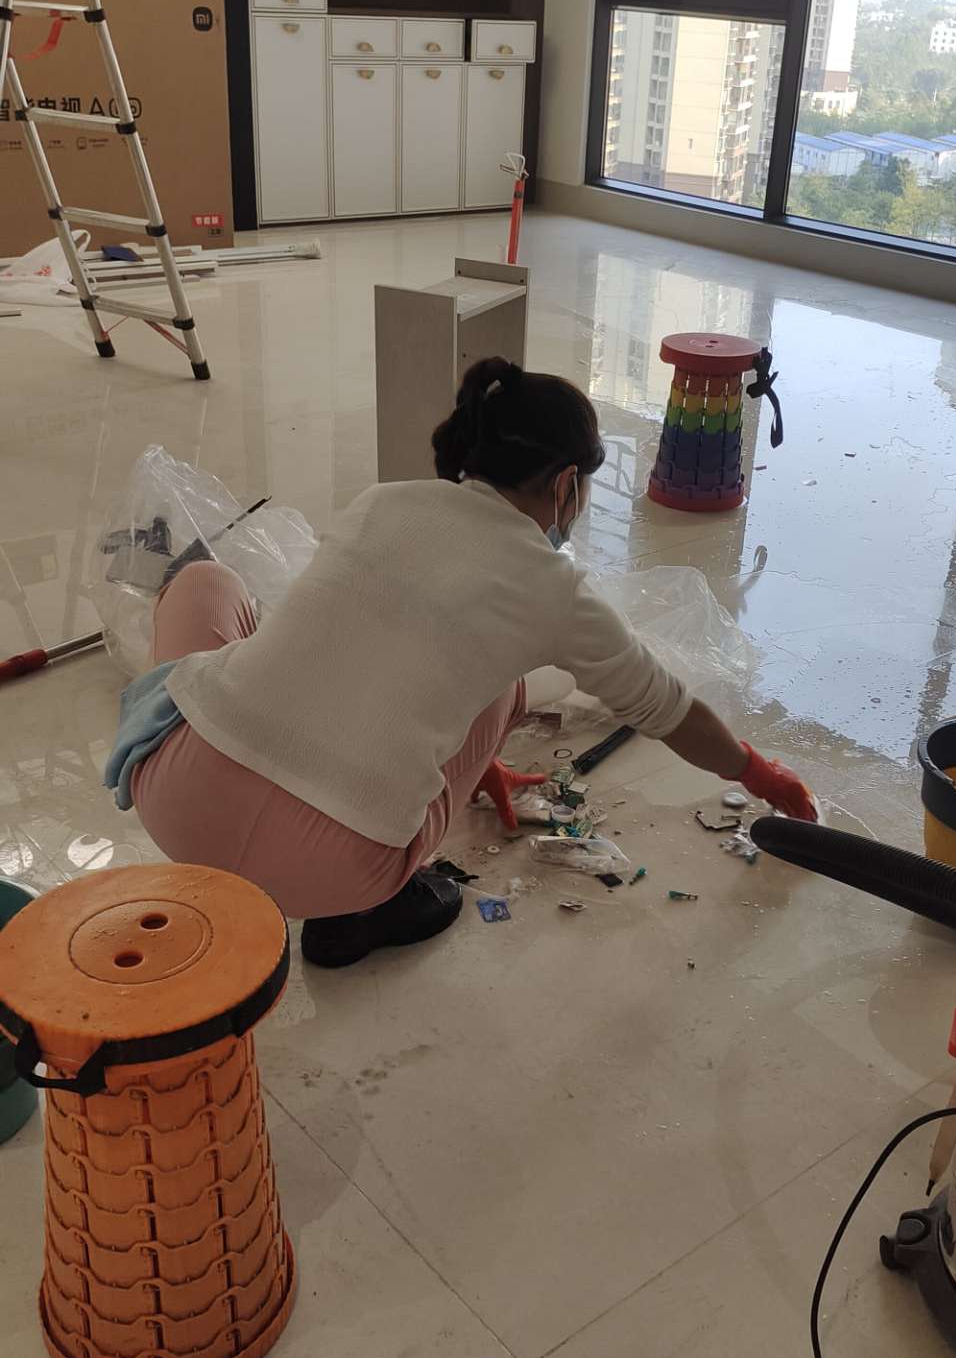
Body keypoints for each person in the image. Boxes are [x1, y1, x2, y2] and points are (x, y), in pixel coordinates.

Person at [106, 360, 815, 968]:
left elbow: (358, 647)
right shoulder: (552, 589)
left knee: (205, 582)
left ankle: (169, 718)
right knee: (504, 686)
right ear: (567, 483)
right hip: (330, 876)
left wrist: (473, 762)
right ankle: (363, 918)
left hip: (177, 805)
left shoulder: (380, 503)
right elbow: (666, 710)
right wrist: (756, 771)